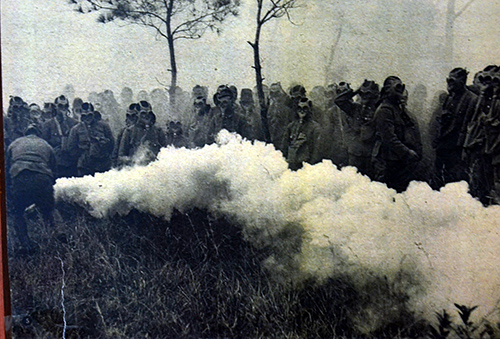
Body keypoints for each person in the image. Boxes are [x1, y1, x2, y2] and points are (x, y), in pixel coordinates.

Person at [6, 124, 56, 254]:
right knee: (48, 211)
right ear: (38, 133)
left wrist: (9, 189)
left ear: (25, 133)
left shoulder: (15, 143)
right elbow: (54, 167)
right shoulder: (46, 144)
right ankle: (53, 241)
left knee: (17, 212)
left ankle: (25, 244)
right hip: (42, 179)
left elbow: (6, 166)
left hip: (20, 177)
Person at [372, 76, 422, 192]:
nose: (400, 91)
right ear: (387, 90)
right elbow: (389, 139)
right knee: (386, 194)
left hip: (398, 161)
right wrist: (407, 153)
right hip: (386, 161)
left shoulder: (398, 109)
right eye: (396, 88)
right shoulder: (385, 110)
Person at [432, 68, 478, 187]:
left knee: (457, 182)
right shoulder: (449, 98)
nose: (449, 84)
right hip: (444, 146)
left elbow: (470, 126)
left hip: (458, 148)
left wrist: (464, 148)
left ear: (462, 81)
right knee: (440, 179)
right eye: (448, 80)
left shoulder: (472, 99)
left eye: (452, 80)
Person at [463, 66, 499, 204]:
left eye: (493, 80)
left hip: (494, 149)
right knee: (482, 186)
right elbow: (473, 123)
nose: (488, 84)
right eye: (485, 80)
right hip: (482, 148)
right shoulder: (483, 100)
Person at [335, 80, 380, 177]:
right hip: (355, 154)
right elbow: (339, 101)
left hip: (371, 156)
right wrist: (356, 91)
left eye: (367, 94)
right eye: (362, 94)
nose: (364, 97)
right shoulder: (356, 109)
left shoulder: (379, 111)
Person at [67, 105, 115, 176]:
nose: (87, 118)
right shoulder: (76, 129)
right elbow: (71, 148)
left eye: (89, 115)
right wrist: (83, 155)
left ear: (93, 113)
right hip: (85, 166)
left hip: (103, 164)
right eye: (84, 116)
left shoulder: (103, 126)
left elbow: (112, 144)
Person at [118, 101, 166, 165]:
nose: (146, 116)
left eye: (149, 113)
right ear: (138, 115)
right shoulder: (129, 131)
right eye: (143, 114)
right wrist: (134, 160)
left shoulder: (158, 131)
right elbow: (121, 156)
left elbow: (165, 152)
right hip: (136, 169)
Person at [40, 98, 78, 177]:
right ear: (56, 107)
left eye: (65, 106)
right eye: (60, 106)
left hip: (72, 163)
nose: (63, 109)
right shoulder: (48, 125)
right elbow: (44, 144)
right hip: (56, 163)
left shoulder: (74, 123)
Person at [282, 98, 321, 170]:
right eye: (299, 108)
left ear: (309, 110)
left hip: (306, 164)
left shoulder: (315, 127)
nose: (301, 110)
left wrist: (311, 164)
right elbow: (285, 145)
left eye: (305, 108)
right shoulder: (291, 126)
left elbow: (317, 148)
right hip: (292, 163)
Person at [112, 103, 140, 167]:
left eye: (134, 116)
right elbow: (118, 152)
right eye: (129, 116)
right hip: (130, 165)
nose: (131, 118)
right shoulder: (125, 131)